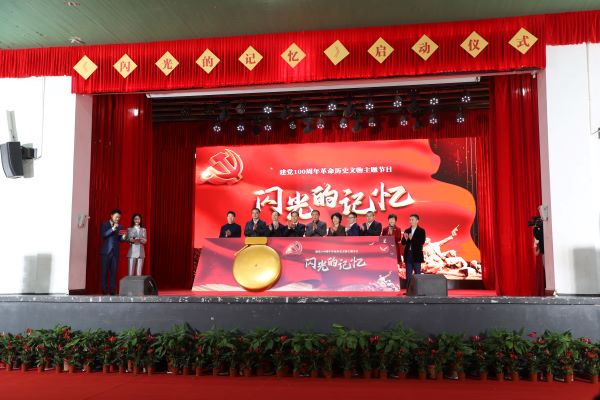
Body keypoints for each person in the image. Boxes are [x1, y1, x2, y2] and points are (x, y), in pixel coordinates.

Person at [99, 209, 124, 295]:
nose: (117, 219)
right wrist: (113, 229)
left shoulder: (120, 226)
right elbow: (104, 235)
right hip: (106, 252)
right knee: (104, 272)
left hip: (115, 253)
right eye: (116, 217)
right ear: (111, 216)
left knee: (114, 273)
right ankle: (104, 291)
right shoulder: (105, 225)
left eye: (119, 217)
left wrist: (124, 237)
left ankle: (113, 291)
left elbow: (120, 239)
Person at [401, 214, 426, 286]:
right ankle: (408, 290)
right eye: (410, 220)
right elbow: (403, 243)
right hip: (408, 254)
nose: (410, 221)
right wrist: (405, 239)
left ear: (417, 221)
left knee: (417, 274)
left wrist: (412, 238)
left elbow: (421, 242)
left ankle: (418, 290)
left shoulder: (421, 231)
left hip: (417, 255)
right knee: (408, 274)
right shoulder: (407, 230)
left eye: (412, 220)